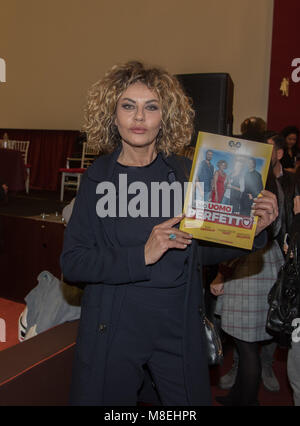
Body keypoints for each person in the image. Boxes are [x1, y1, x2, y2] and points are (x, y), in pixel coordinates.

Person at [60, 60, 278, 406]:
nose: (139, 118)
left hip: (177, 326)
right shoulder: (98, 179)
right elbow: (73, 262)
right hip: (116, 327)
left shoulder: (186, 174)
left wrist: (253, 229)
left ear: (166, 116)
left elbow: (201, 249)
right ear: (112, 115)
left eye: (151, 107)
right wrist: (141, 255)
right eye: (128, 106)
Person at [211, 135, 291, 405]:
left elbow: (244, 234)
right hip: (261, 265)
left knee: (246, 348)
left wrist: (223, 271)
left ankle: (246, 401)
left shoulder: (260, 186)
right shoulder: (271, 183)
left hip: (250, 265)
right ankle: (239, 397)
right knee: (247, 345)